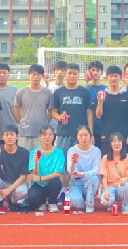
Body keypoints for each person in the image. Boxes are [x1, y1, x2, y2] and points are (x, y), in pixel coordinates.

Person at [51, 63, 94, 201]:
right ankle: (64, 191)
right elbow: (53, 112)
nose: (72, 76)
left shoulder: (84, 92)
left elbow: (89, 113)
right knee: (64, 164)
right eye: (69, 73)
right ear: (65, 74)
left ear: (78, 75)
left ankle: (79, 190)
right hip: (63, 133)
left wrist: (90, 133)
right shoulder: (58, 92)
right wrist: (59, 117)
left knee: (79, 164)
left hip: (80, 135)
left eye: (75, 73)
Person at [0, 124, 29, 214]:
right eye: (6, 135)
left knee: (23, 191)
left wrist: (9, 189)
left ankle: (12, 201)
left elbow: (23, 176)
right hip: (1, 182)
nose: (9, 137)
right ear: (3, 137)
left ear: (17, 137)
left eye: (12, 134)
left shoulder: (24, 153)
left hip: (15, 183)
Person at [95, 65, 128, 155]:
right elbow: (98, 116)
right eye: (111, 76)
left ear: (120, 78)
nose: (113, 79)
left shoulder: (127, 95)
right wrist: (100, 103)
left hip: (124, 137)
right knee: (107, 161)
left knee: (124, 161)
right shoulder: (102, 95)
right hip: (107, 137)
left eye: (116, 76)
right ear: (106, 78)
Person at [14, 64, 53, 152]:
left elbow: (50, 111)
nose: (36, 77)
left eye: (38, 74)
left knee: (40, 157)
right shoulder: (21, 92)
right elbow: (16, 109)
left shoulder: (48, 93)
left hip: (41, 132)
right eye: (33, 74)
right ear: (29, 75)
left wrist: (45, 123)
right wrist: (22, 122)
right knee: (24, 156)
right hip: (25, 132)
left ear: (42, 76)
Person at [26, 125, 65, 212]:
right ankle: (42, 202)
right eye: (44, 135)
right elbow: (35, 173)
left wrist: (41, 178)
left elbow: (58, 173)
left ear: (53, 136)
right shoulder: (34, 152)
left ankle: (52, 202)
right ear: (40, 136)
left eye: (50, 135)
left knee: (56, 181)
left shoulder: (59, 152)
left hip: (51, 183)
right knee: (32, 197)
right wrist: (36, 162)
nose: (47, 137)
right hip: (38, 184)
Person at [67, 125, 101, 213]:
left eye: (86, 135)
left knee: (93, 178)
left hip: (90, 181)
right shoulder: (71, 150)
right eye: (81, 135)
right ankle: (81, 202)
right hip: (76, 182)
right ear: (77, 137)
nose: (83, 138)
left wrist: (82, 174)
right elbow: (70, 171)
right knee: (76, 202)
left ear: (90, 136)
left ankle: (89, 204)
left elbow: (97, 170)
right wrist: (73, 163)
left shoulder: (96, 151)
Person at [100, 132, 128, 215]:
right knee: (105, 201)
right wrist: (106, 191)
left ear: (122, 143)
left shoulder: (127, 158)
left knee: (125, 185)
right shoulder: (105, 158)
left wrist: (125, 179)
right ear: (110, 144)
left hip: (121, 187)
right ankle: (111, 203)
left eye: (119, 141)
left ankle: (125, 205)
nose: (116, 144)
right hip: (109, 187)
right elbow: (104, 176)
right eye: (114, 141)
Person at [86, 60, 107, 150]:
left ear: (101, 72)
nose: (95, 72)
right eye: (93, 70)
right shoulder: (86, 88)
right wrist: (86, 82)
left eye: (98, 70)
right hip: (88, 128)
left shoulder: (106, 89)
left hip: (102, 127)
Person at [0, 63, 19, 130]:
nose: (2, 75)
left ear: (9, 75)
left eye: (4, 73)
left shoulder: (16, 91)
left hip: (11, 130)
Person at [45, 60, 67, 133]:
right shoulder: (49, 86)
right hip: (51, 124)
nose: (59, 72)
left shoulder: (68, 87)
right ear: (54, 72)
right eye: (57, 70)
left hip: (64, 124)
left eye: (62, 70)